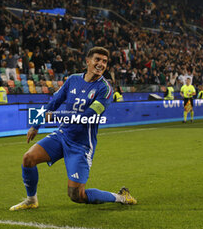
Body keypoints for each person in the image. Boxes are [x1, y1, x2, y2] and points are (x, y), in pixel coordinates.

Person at [9, 47, 137, 211]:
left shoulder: (105, 89)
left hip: (81, 145)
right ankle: (31, 200)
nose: (101, 64)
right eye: (97, 59)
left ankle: (121, 197)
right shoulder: (73, 80)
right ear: (88, 61)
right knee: (28, 158)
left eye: (104, 61)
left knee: (77, 195)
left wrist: (56, 117)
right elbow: (54, 102)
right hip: (62, 135)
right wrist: (36, 125)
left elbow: (87, 116)